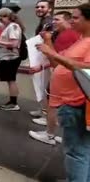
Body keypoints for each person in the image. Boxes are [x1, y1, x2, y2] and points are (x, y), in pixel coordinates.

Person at [37, 3, 90, 182]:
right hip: (70, 102)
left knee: (76, 152)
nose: (71, 21)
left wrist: (55, 55)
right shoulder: (81, 40)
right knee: (79, 150)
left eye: (75, 18)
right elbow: (57, 64)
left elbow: (86, 68)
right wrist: (48, 42)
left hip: (79, 104)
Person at [29, 11, 80, 145]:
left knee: (53, 104)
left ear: (68, 21)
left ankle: (49, 135)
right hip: (70, 75)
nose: (53, 23)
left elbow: (55, 61)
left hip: (63, 76)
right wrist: (40, 67)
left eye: (57, 20)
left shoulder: (66, 36)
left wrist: (47, 40)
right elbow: (61, 56)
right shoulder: (72, 35)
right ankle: (59, 135)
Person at [30, 0, 54, 119]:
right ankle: (42, 110)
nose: (39, 9)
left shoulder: (49, 23)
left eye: (42, 7)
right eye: (37, 7)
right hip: (43, 57)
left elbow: (49, 44)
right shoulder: (44, 22)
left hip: (48, 59)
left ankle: (46, 116)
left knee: (45, 87)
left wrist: (43, 63)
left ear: (49, 9)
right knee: (42, 85)